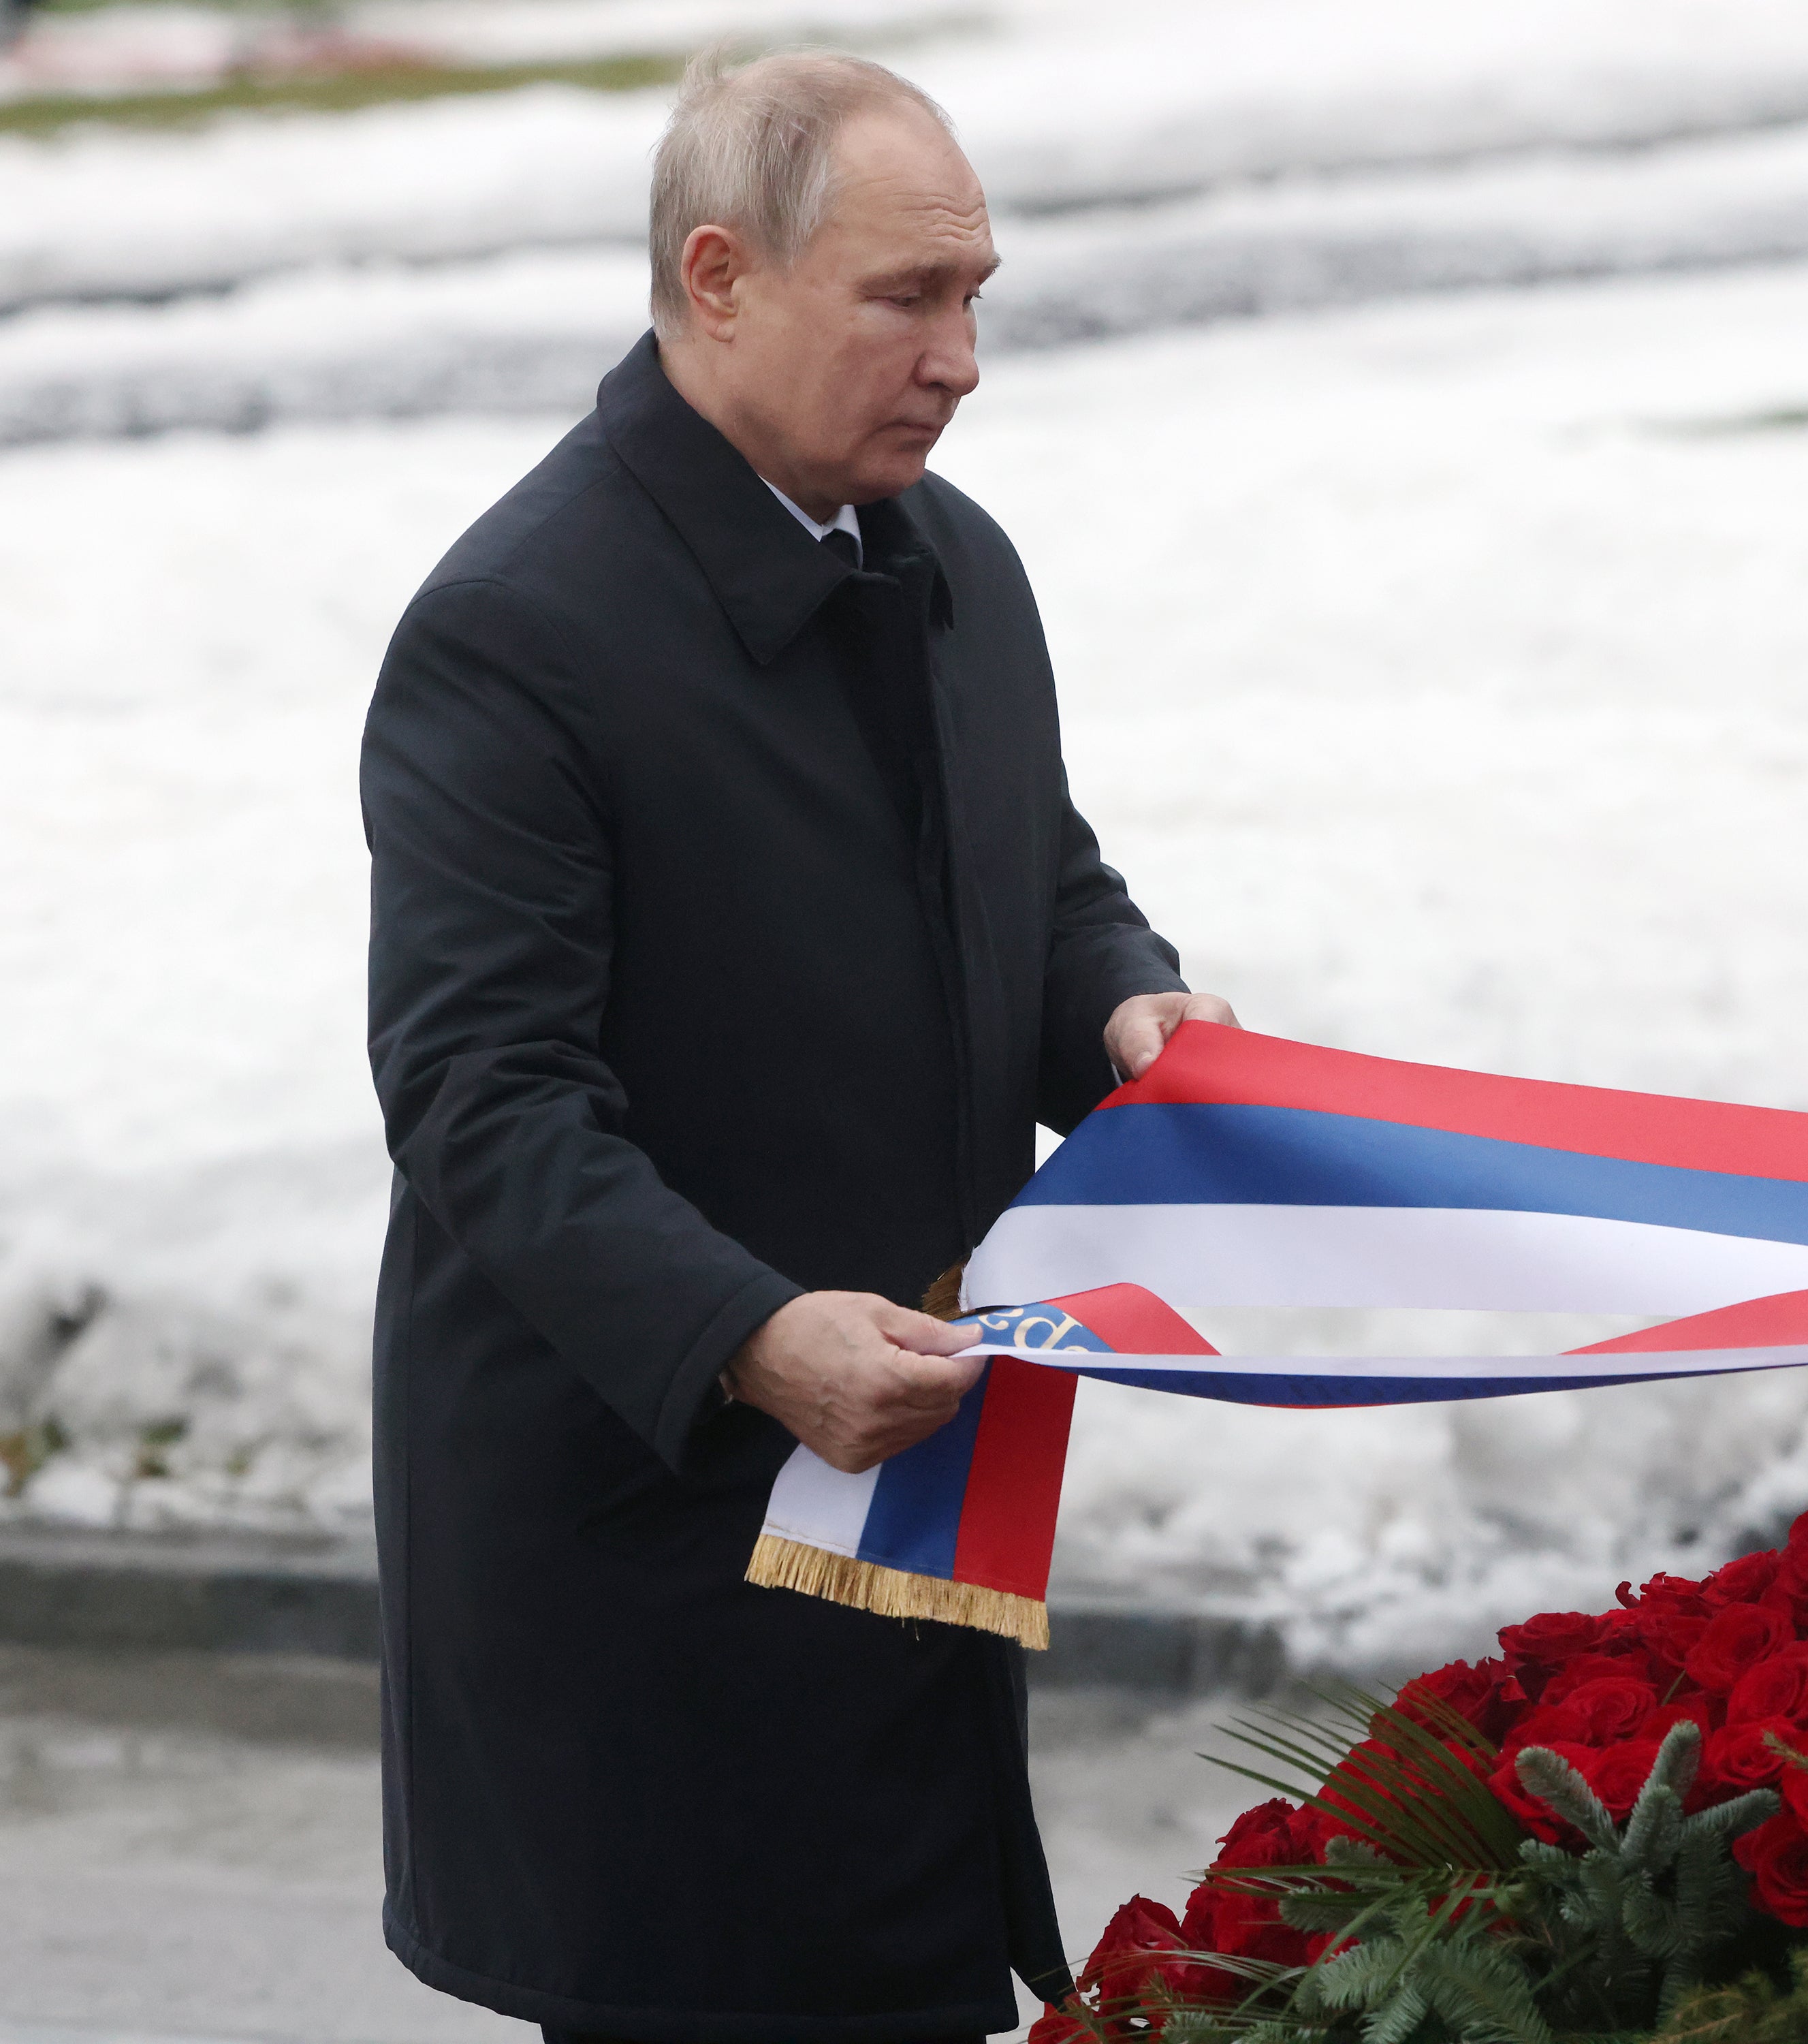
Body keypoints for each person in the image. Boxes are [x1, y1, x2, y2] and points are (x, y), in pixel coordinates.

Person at [360, 47, 1234, 2044]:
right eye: (907, 298)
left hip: (912, 1499)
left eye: (977, 296)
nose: (964, 357)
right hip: (649, 1541)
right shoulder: (516, 630)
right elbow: (482, 1100)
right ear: (721, 276)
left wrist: (1126, 1004)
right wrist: (755, 1334)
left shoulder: (953, 565)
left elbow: (1042, 884)